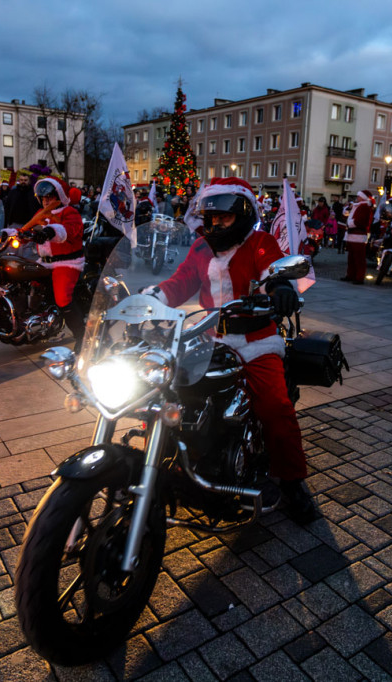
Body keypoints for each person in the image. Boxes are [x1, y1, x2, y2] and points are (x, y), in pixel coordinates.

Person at [143, 177, 316, 523]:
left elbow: (271, 268)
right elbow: (180, 282)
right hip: (208, 340)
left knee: (275, 406)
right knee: (163, 394)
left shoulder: (259, 242)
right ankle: (163, 466)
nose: (216, 224)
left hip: (255, 342)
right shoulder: (200, 249)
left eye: (224, 217)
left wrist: (279, 286)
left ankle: (293, 481)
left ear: (243, 214)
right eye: (211, 218)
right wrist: (151, 299)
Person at [13, 177, 86, 349]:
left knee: (62, 298)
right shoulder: (41, 214)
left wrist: (49, 231)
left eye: (50, 196)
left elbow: (68, 231)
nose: (46, 200)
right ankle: (29, 326)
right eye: (43, 197)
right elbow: (26, 230)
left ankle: (81, 335)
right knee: (24, 284)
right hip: (44, 263)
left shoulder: (69, 212)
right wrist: (11, 234)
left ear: (59, 196)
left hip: (66, 262)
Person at [340, 190, 374, 284]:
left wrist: (349, 223)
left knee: (359, 259)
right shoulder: (358, 206)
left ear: (363, 197)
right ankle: (351, 275)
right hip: (352, 234)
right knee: (351, 258)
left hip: (358, 235)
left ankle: (359, 277)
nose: (357, 198)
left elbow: (360, 221)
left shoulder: (364, 207)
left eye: (359, 196)